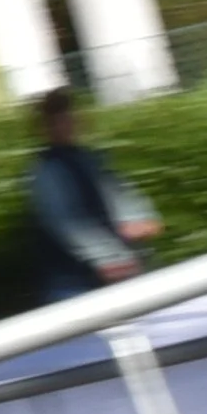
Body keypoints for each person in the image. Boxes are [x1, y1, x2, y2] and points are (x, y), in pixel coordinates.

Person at [28, 87, 159, 302]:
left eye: (70, 117)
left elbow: (115, 191)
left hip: (112, 273)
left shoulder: (89, 158)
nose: (68, 123)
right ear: (45, 128)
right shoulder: (47, 171)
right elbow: (67, 222)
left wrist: (137, 217)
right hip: (75, 284)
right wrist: (111, 258)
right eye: (59, 120)